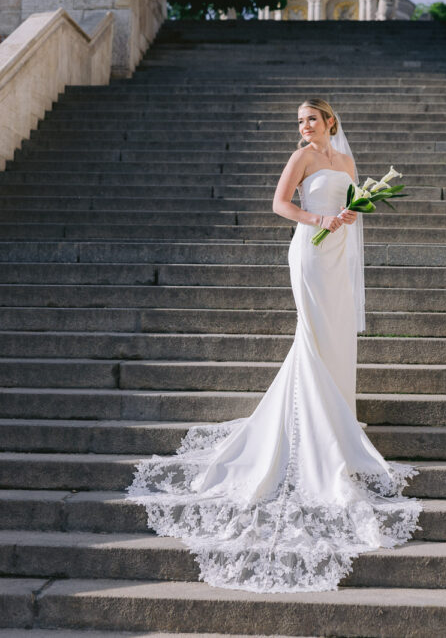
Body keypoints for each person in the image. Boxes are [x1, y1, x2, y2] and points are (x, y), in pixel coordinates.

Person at [127, 98, 421, 593]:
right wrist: (317, 222)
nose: (305, 127)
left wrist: (349, 217)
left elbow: (353, 207)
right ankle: (315, 431)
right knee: (311, 337)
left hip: (337, 254)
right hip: (309, 252)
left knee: (336, 339)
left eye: (312, 119)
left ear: (330, 120)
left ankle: (337, 420)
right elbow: (280, 204)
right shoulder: (301, 157)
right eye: (300, 121)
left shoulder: (347, 161)